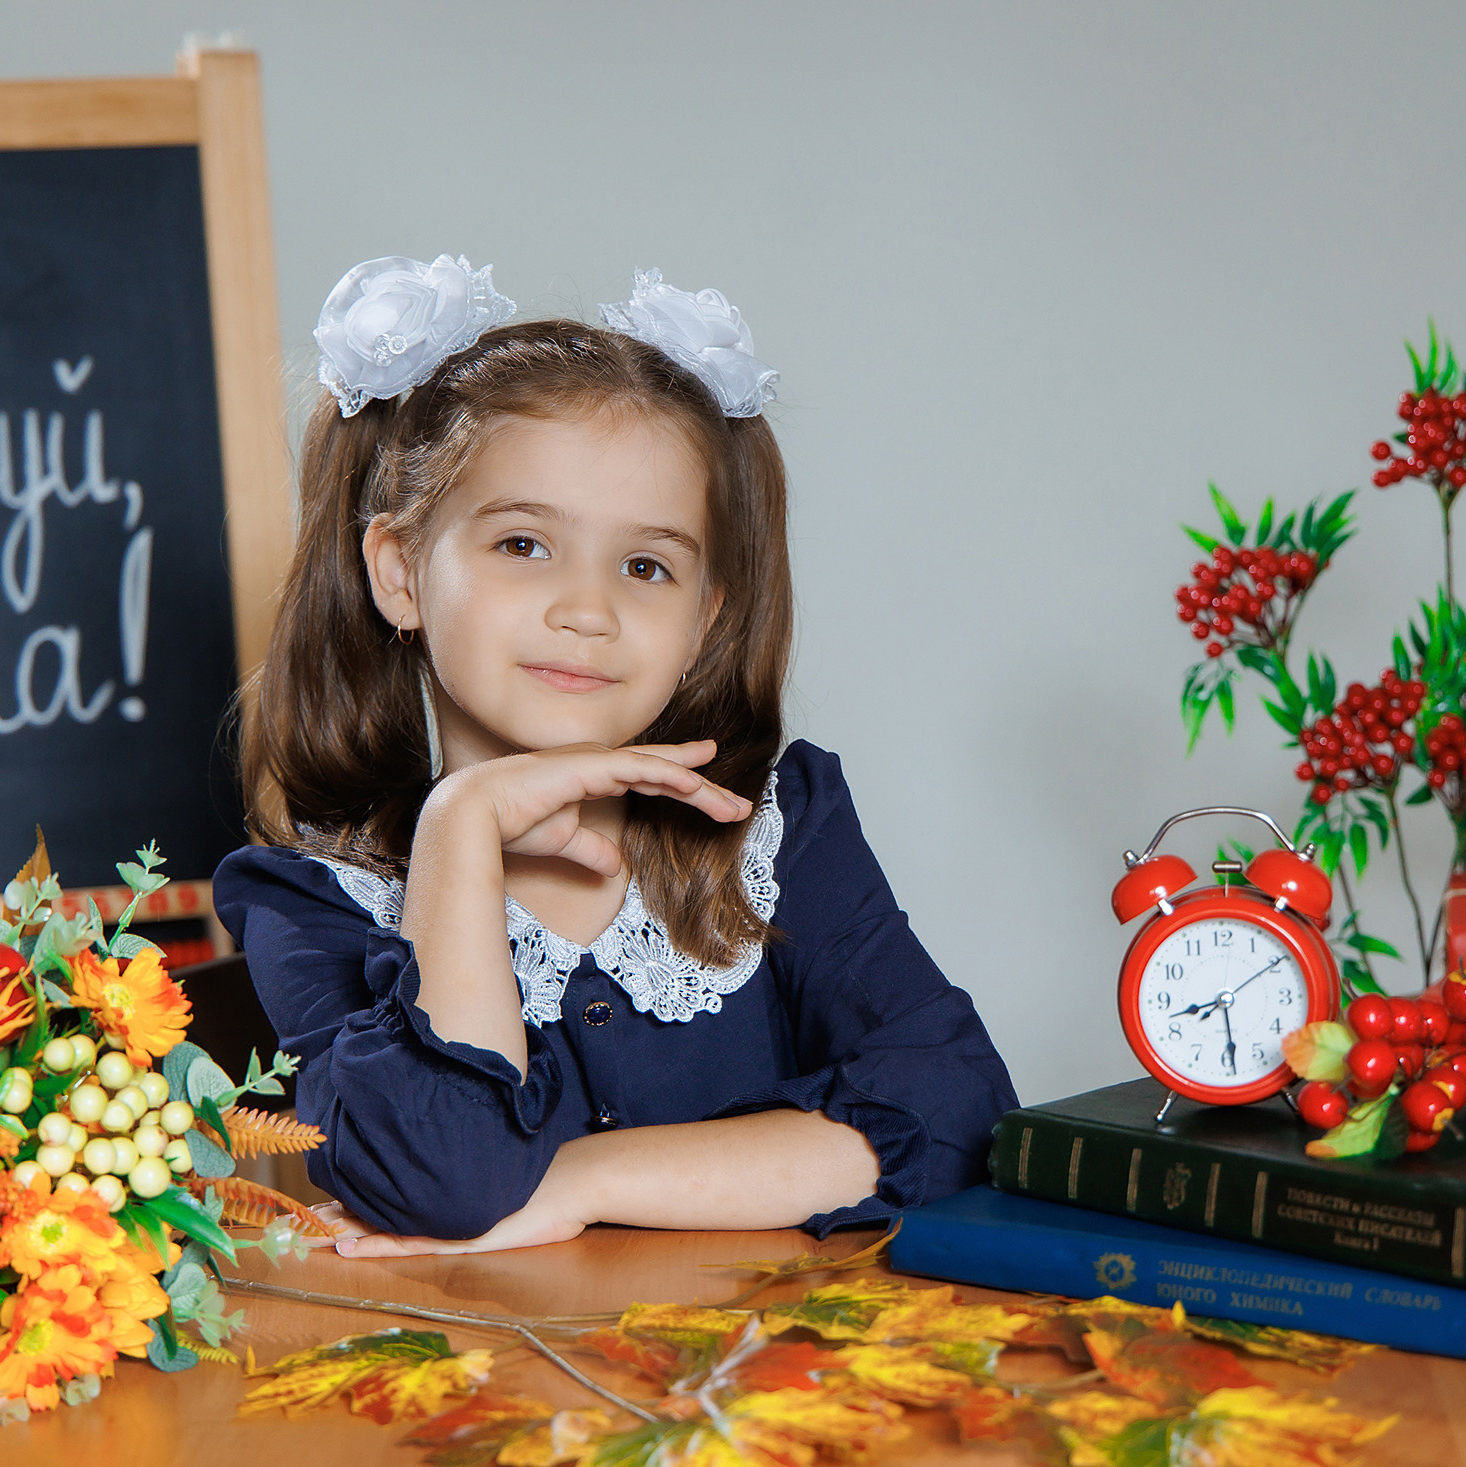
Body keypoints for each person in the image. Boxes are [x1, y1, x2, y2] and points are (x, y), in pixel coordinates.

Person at [214, 256, 1016, 1257]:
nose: (586, 610)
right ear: (401, 573)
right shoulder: (312, 900)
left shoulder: (777, 832)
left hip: (765, 1386)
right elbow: (443, 1183)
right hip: (481, 1396)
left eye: (645, 566)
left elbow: (960, 1111)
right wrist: (461, 829)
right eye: (522, 545)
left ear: (701, 620)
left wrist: (582, 1183)